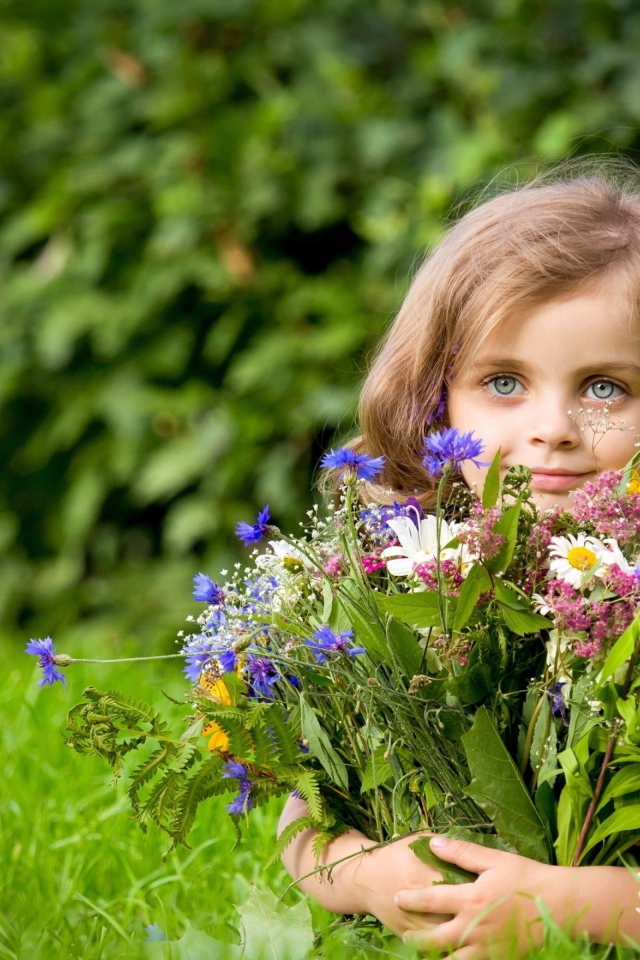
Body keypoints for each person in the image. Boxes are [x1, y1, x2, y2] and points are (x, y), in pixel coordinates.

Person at [278, 162, 640, 956]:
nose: (554, 428)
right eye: (504, 381)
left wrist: (569, 906)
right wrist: (371, 877)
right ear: (433, 399)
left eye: (607, 388)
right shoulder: (400, 588)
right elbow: (305, 822)